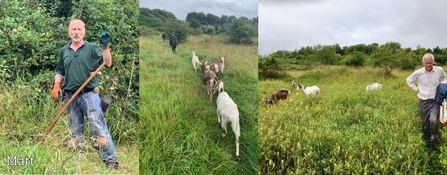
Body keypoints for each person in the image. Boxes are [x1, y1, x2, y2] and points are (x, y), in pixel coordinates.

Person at [51, 19, 119, 170]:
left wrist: (105, 46)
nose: (76, 32)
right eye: (73, 29)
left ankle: (110, 161)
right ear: (69, 31)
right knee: (74, 130)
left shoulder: (92, 48)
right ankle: (78, 160)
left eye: (79, 30)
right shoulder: (64, 51)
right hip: (70, 96)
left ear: (84, 32)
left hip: (89, 95)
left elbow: (107, 63)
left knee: (98, 128)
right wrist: (57, 85)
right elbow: (60, 71)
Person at [406, 53, 447, 145]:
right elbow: (409, 80)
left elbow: (445, 77)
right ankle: (426, 136)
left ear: (433, 62)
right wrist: (416, 89)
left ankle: (433, 138)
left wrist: (442, 84)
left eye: (430, 63)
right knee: (425, 121)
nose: (429, 65)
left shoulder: (439, 70)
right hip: (423, 100)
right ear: (423, 63)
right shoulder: (418, 72)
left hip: (435, 100)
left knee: (433, 119)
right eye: (427, 63)